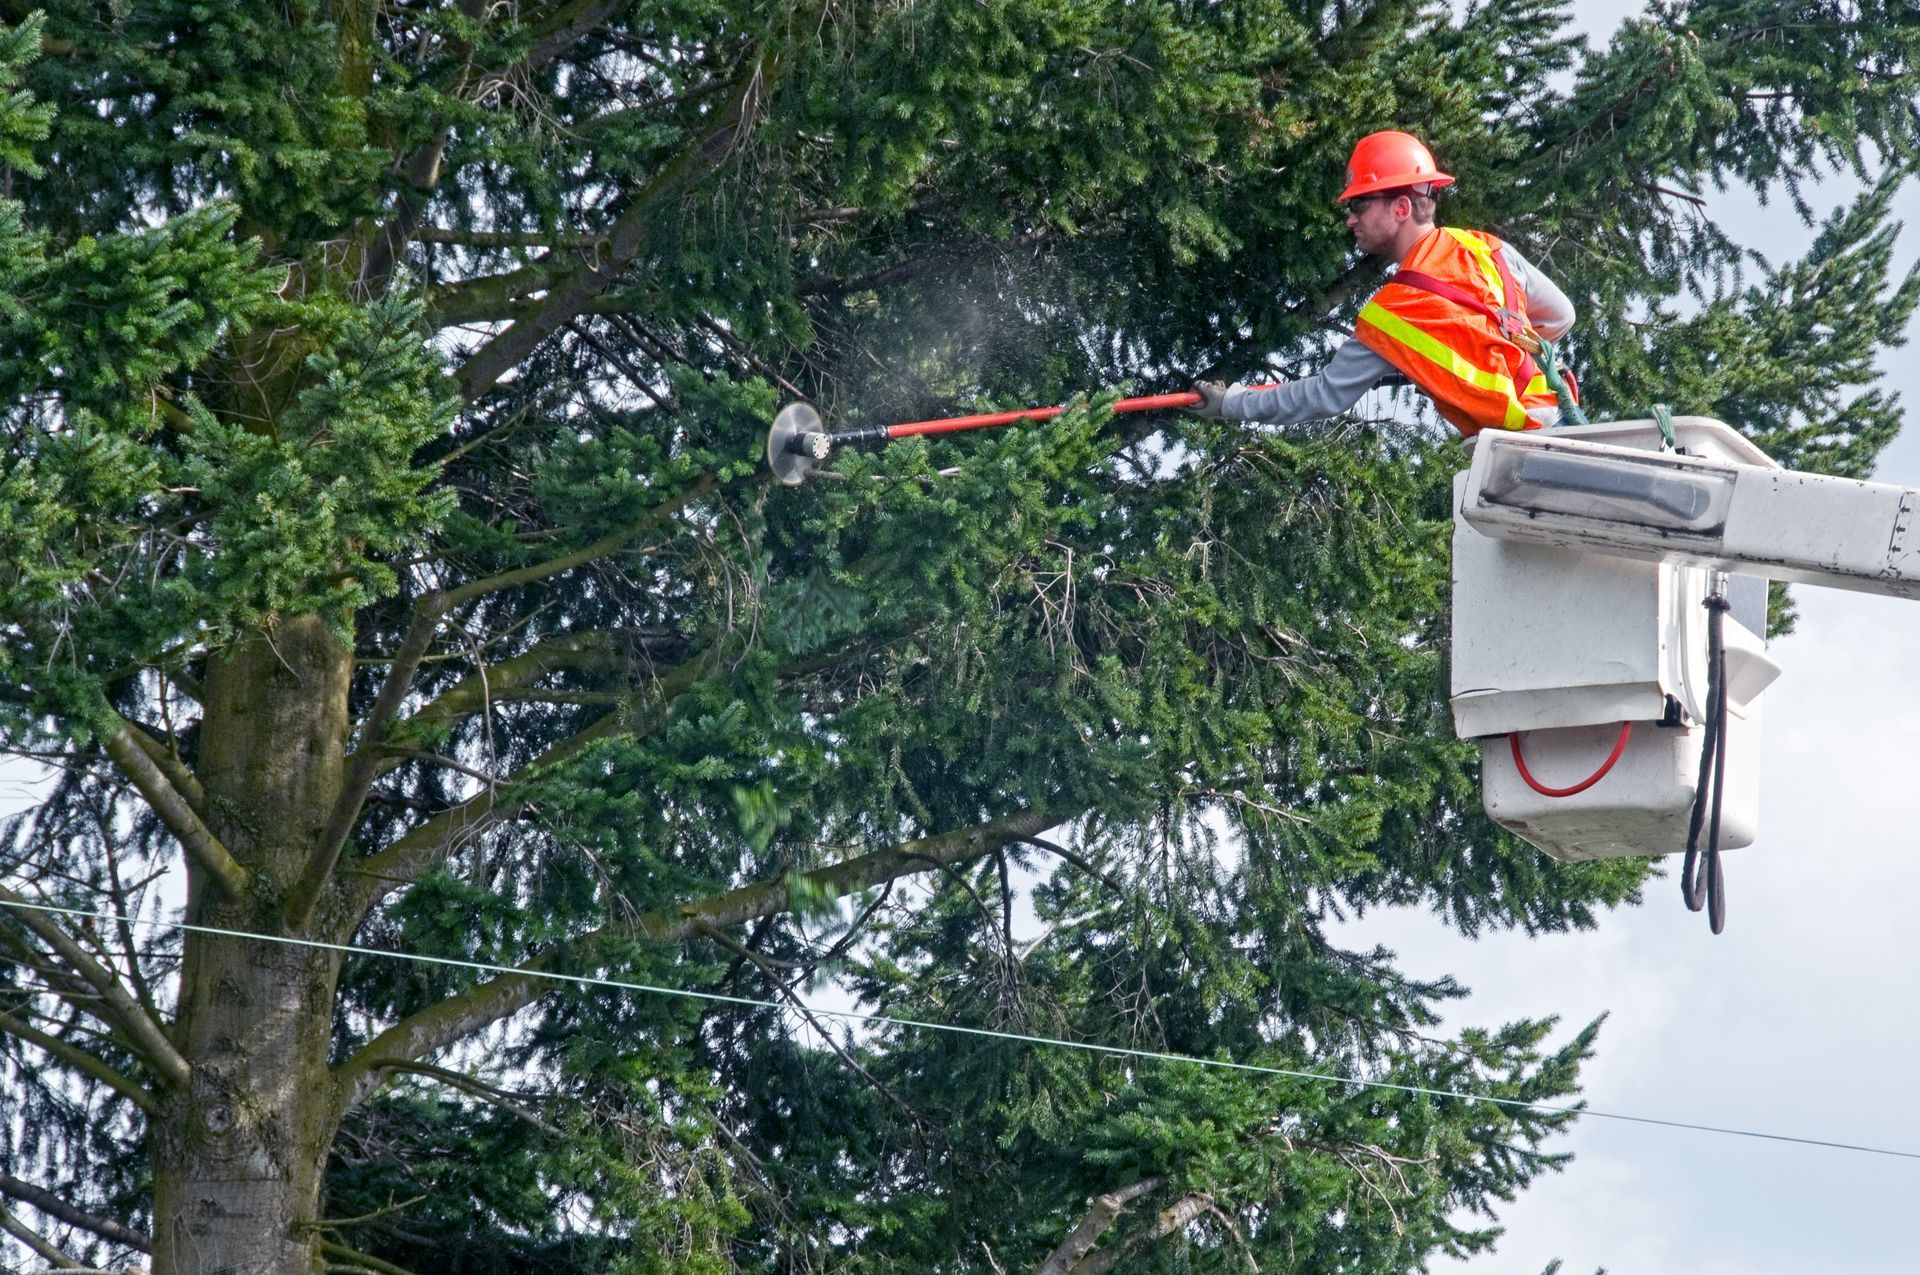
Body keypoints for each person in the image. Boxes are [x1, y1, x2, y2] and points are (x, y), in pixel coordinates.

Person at [1193, 131, 1578, 437]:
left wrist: (1231, 404)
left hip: (1522, 445)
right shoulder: (1484, 249)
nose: (1350, 219)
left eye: (1359, 205)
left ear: (1401, 207)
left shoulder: (1396, 311)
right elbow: (1561, 316)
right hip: (1563, 420)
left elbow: (1324, 395)